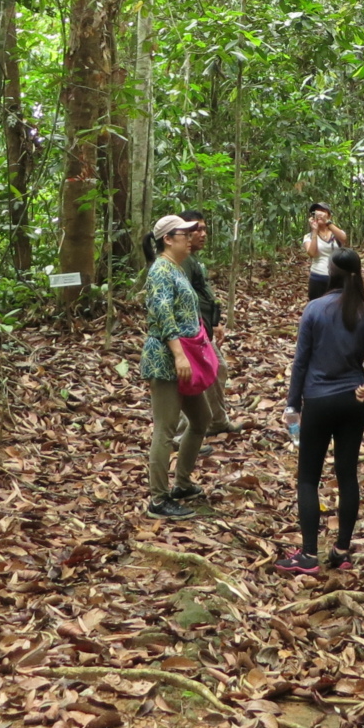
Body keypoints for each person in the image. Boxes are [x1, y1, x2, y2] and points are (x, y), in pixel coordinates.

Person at [278, 248, 364, 573]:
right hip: (354, 402)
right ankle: (341, 551)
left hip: (319, 402)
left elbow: (301, 363)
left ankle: (308, 555)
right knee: (347, 475)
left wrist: (292, 405)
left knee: (308, 478)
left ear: (332, 273)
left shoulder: (315, 309)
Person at [140, 214, 211, 520]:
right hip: (167, 359)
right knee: (165, 428)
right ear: (168, 239)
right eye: (184, 233)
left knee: (201, 418)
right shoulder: (160, 271)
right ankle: (158, 499)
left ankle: (182, 483)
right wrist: (179, 354)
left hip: (186, 357)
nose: (190, 236)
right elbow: (161, 314)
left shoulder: (177, 268)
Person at [172, 210, 235, 441]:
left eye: (204, 229)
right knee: (189, 380)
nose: (203, 234)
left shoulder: (192, 260)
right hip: (189, 334)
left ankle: (217, 421)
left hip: (202, 331)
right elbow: (182, 300)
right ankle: (180, 435)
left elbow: (203, 294)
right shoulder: (181, 261)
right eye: (197, 229)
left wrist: (215, 322)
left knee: (218, 369)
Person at [302, 203, 347, 301]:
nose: (319, 215)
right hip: (317, 277)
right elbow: (312, 253)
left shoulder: (336, 233)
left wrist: (327, 222)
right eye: (316, 213)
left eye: (322, 212)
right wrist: (314, 231)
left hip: (336, 277)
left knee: (337, 308)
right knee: (316, 307)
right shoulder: (308, 236)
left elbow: (343, 238)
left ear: (329, 215)